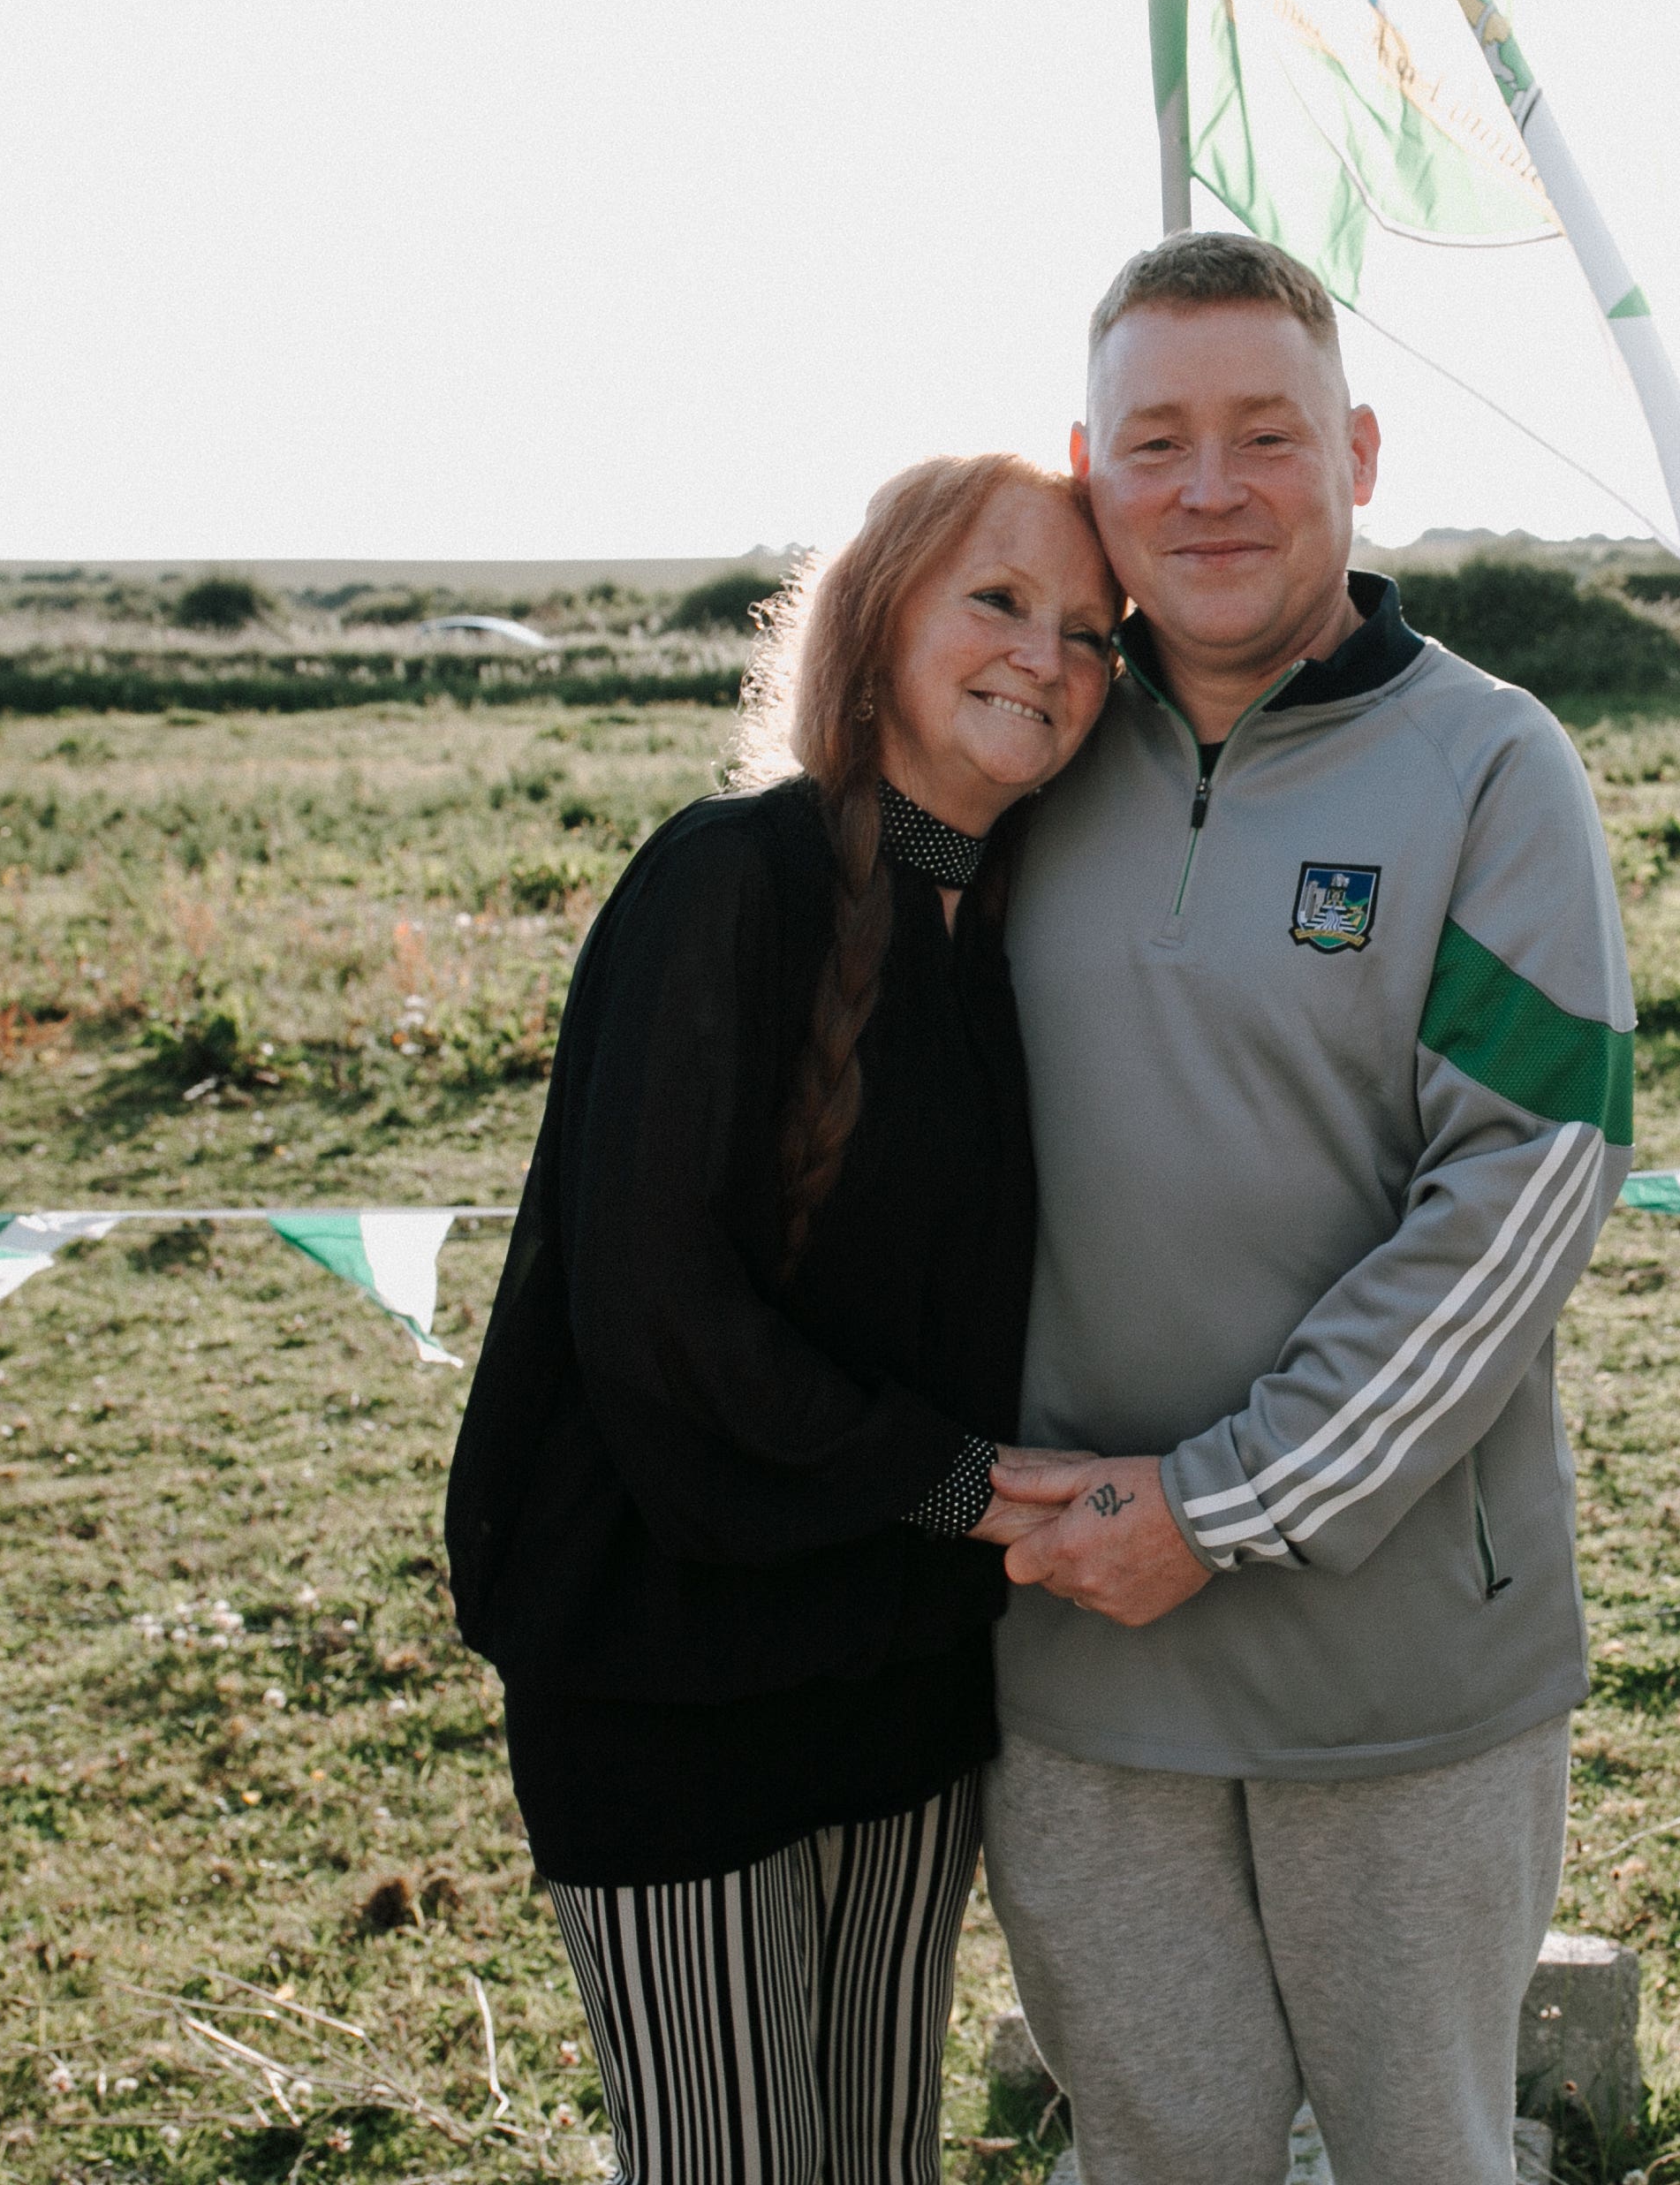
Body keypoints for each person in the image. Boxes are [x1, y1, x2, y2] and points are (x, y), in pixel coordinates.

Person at [980, 232, 1637, 2183]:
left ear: (1355, 448)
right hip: (1078, 1660)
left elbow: (1525, 1187)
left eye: (1264, 433)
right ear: (1086, 468)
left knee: (1423, 2157)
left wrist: (1218, 1507)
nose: (1210, 488)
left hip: (1403, 1677)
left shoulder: (1490, 768)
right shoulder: (1025, 758)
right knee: (1153, 2156)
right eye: (1156, 440)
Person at [444, 453, 1117, 2182]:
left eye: (1092, 633)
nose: (1049, 654)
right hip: (672, 1669)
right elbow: (659, 1302)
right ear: (879, 610)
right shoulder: (725, 883)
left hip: (902, 1671)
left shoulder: (1016, 937)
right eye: (1000, 600)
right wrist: (961, 1481)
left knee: (877, 2155)